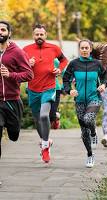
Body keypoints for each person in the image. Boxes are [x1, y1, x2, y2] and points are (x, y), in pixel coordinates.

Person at [23, 24, 68, 163]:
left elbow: (64, 60)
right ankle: (45, 142)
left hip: (49, 87)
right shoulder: (26, 50)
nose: (39, 37)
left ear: (46, 35)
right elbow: (18, 66)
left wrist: (59, 69)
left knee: (44, 115)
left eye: (41, 34)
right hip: (32, 89)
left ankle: (45, 146)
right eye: (37, 34)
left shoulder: (54, 48)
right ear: (33, 35)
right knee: (37, 119)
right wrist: (27, 64)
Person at [63, 39, 106, 168]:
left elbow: (105, 77)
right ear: (79, 49)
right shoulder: (74, 64)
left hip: (94, 98)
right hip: (80, 100)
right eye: (82, 48)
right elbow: (65, 79)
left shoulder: (97, 64)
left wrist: (103, 85)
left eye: (87, 48)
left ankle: (94, 133)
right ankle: (90, 155)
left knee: (87, 120)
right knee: (83, 130)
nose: (84, 50)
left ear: (90, 49)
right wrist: (69, 90)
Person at [0, 21, 33, 161]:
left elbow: (29, 74)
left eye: (2, 30)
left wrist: (10, 75)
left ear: (9, 33)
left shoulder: (17, 52)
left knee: (14, 134)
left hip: (12, 101)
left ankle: (13, 130)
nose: (0, 32)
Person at [49, 58, 64, 129]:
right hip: (41, 89)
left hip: (56, 89)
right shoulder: (37, 59)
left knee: (51, 114)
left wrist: (64, 86)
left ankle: (55, 116)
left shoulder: (55, 60)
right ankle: (44, 138)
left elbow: (65, 73)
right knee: (42, 115)